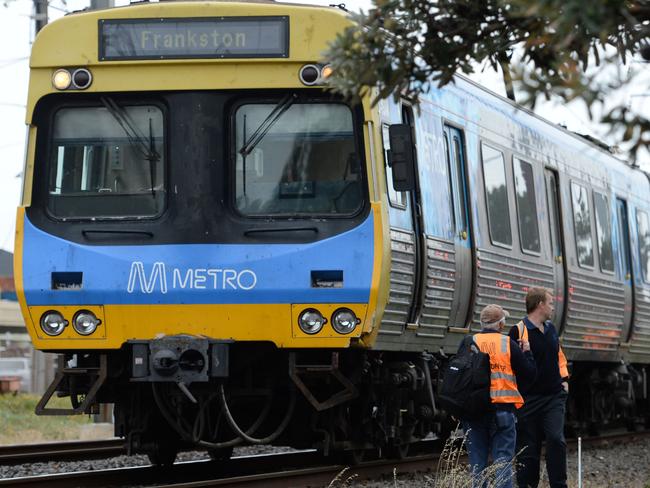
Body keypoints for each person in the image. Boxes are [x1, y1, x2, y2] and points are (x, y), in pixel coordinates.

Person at [462, 304, 536, 488]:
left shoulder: (469, 341)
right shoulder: (508, 344)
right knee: (502, 463)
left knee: (478, 464)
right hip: (502, 411)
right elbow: (530, 374)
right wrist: (527, 353)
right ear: (501, 325)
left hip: (474, 413)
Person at [508, 287, 569, 488]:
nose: (552, 307)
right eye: (550, 303)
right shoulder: (518, 330)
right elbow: (511, 365)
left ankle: (559, 485)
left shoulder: (551, 328)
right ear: (540, 304)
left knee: (556, 439)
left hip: (553, 396)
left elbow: (558, 356)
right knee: (528, 450)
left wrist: (564, 379)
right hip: (528, 399)